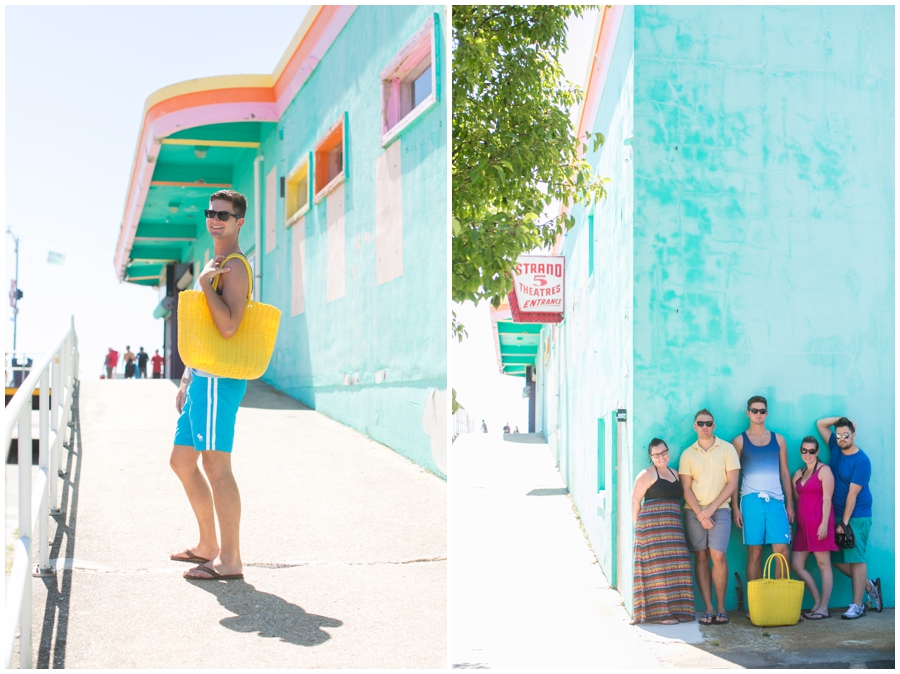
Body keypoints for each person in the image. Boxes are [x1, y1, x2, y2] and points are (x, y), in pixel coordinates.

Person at [169, 190, 252, 581]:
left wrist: (203, 284)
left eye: (224, 214)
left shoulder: (234, 265)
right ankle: (207, 545)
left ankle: (230, 560)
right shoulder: (216, 261)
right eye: (211, 212)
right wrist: (187, 375)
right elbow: (205, 330)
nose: (215, 218)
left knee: (217, 465)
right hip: (202, 377)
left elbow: (230, 325)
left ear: (239, 222)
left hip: (220, 381)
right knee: (182, 461)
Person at [815, 416, 881, 619]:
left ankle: (857, 605)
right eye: (839, 435)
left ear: (854, 434)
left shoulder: (862, 461)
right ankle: (870, 586)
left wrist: (844, 522)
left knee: (855, 558)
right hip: (836, 513)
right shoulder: (835, 445)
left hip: (856, 515)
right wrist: (844, 420)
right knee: (834, 558)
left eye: (846, 434)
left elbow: (853, 494)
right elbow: (821, 424)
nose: (842, 438)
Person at [679, 409, 740, 625]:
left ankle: (722, 608)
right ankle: (709, 608)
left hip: (720, 509)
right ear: (694, 426)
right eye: (700, 423)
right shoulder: (688, 454)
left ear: (714, 426)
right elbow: (685, 488)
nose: (705, 427)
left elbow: (732, 482)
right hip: (694, 511)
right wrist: (700, 513)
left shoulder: (727, 449)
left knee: (718, 556)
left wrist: (711, 509)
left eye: (708, 423)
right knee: (701, 556)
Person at [631, 438, 696, 624]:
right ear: (651, 457)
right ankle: (661, 615)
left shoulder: (675, 473)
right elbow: (635, 502)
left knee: (678, 566)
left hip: (673, 529)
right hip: (651, 530)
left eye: (664, 452)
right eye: (656, 454)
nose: (661, 457)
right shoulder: (646, 474)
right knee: (658, 571)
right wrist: (638, 531)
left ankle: (679, 610)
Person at [731, 396, 794, 582]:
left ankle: (780, 603)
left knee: (782, 551)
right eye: (755, 411)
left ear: (767, 413)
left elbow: (784, 473)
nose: (758, 414)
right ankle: (756, 607)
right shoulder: (739, 441)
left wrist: (790, 504)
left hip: (776, 500)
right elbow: (733, 477)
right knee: (755, 552)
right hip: (751, 500)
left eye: (762, 411)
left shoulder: (779, 440)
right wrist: (735, 507)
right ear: (748, 413)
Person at [790, 436, 838, 619]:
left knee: (823, 564)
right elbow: (799, 500)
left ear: (817, 452)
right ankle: (817, 600)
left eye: (811, 451)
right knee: (796, 564)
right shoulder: (801, 472)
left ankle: (824, 608)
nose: (807, 454)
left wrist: (824, 524)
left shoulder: (824, 470)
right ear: (801, 451)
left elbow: (827, 498)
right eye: (804, 451)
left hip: (819, 524)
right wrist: (795, 482)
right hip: (803, 527)